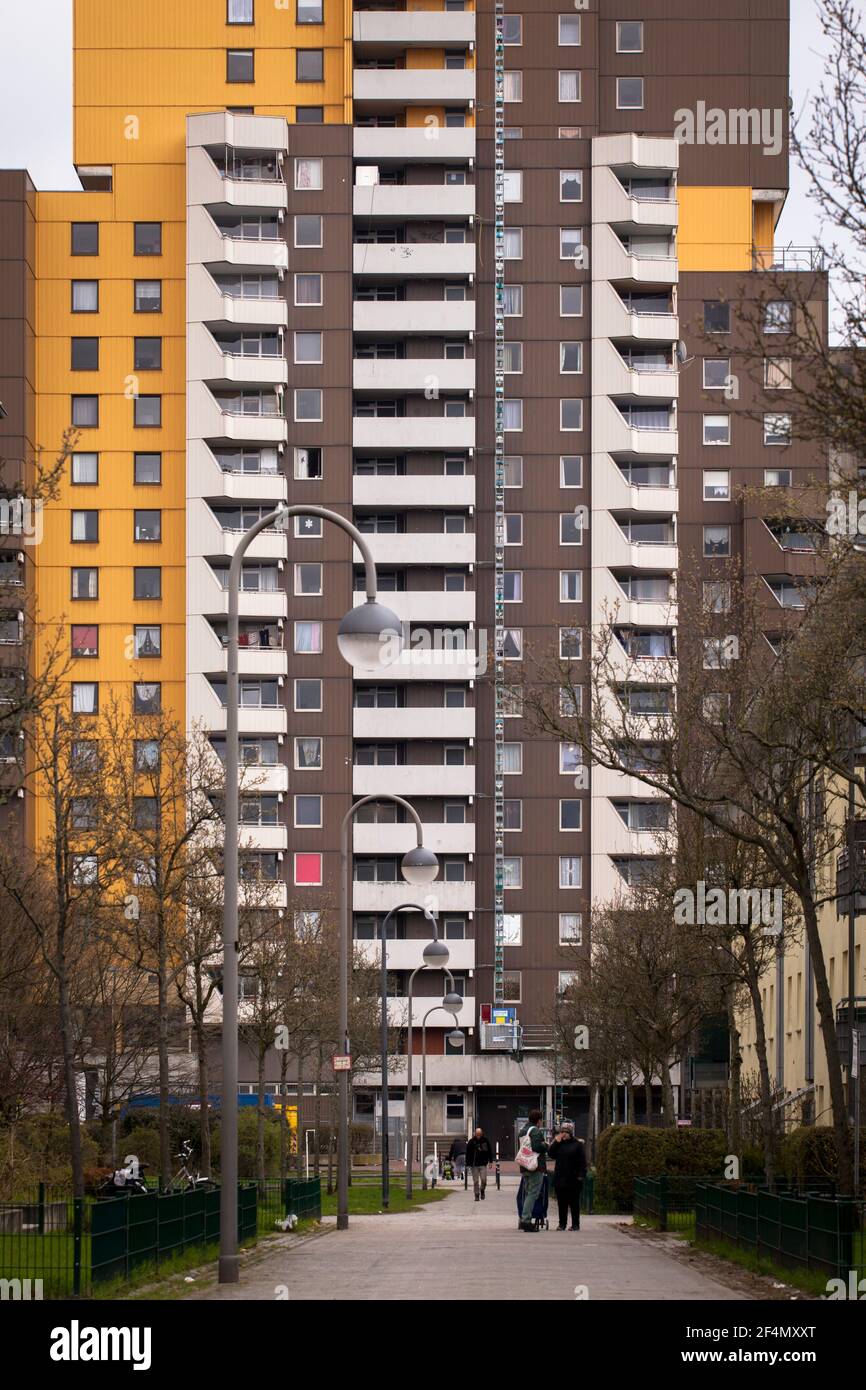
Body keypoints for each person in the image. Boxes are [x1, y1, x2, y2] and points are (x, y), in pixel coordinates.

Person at [547, 1120, 587, 1231]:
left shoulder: (577, 1145)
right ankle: (562, 1224)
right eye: (562, 1132)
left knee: (574, 1202)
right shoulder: (559, 1144)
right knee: (561, 1202)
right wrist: (556, 1142)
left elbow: (582, 1161)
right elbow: (551, 1154)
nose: (563, 1134)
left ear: (570, 1133)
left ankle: (575, 1224)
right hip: (560, 1177)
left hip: (573, 1178)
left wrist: (581, 1174)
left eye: (566, 1132)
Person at [517, 1108, 548, 1231]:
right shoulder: (535, 1131)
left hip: (524, 1165)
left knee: (528, 1192)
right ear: (539, 1120)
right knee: (533, 1193)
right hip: (535, 1166)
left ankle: (524, 1218)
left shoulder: (523, 1130)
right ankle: (526, 1220)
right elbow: (536, 1147)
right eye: (541, 1120)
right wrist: (545, 1145)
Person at [466, 1127, 494, 1200]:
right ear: (475, 1134)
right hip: (474, 1164)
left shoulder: (485, 1141)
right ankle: (476, 1195)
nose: (478, 1135)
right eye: (477, 1134)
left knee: (483, 1180)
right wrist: (468, 1164)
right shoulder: (471, 1142)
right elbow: (468, 1153)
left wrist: (490, 1161)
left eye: (479, 1134)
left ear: (481, 1134)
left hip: (483, 1164)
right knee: (476, 1181)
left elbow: (489, 1151)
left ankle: (482, 1190)